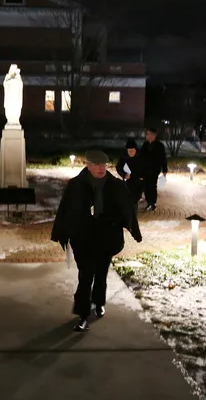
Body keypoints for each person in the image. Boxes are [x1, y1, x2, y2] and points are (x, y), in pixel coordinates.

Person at [51, 150, 142, 332]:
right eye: (97, 165)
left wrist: (132, 229)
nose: (102, 168)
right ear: (88, 165)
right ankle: (83, 315)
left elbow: (127, 207)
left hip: (106, 237)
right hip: (83, 238)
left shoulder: (115, 185)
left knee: (101, 274)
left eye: (104, 165)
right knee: (85, 276)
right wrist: (62, 233)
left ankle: (99, 302)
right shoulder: (76, 185)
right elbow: (66, 209)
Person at [140, 127, 168, 211]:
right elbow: (140, 157)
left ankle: (153, 203)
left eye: (151, 134)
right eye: (148, 134)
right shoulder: (145, 145)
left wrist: (164, 169)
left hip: (154, 169)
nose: (149, 136)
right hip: (145, 170)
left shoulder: (159, 145)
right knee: (145, 186)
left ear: (155, 135)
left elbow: (163, 158)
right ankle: (149, 202)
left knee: (152, 186)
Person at [115, 138, 145, 206]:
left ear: (135, 150)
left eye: (132, 151)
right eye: (129, 151)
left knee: (135, 199)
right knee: (127, 198)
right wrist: (124, 174)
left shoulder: (141, 157)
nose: (130, 153)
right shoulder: (124, 156)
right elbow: (118, 167)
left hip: (138, 181)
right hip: (127, 180)